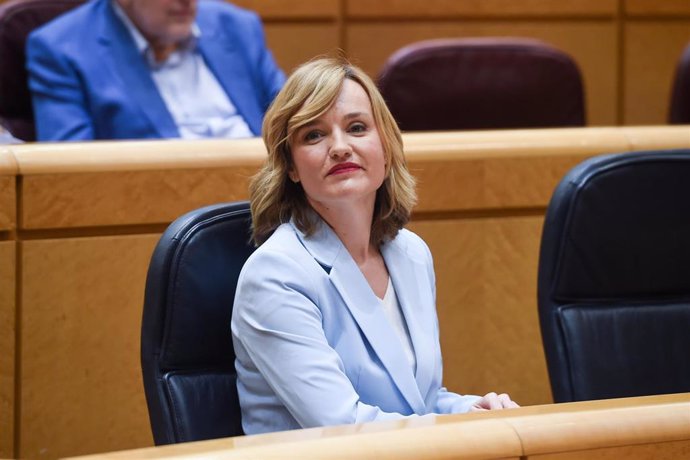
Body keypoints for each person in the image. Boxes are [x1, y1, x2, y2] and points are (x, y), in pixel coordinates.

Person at [231, 56, 519, 435]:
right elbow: (343, 428)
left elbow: (421, 401)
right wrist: (458, 428)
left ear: (385, 146)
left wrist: (474, 409)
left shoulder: (410, 254)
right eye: (313, 135)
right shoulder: (275, 275)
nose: (339, 147)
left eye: (356, 127)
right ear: (291, 167)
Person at [26, 0, 285, 141]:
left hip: (268, 197)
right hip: (158, 209)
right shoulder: (61, 48)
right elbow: (69, 170)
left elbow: (296, 118)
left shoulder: (236, 25)